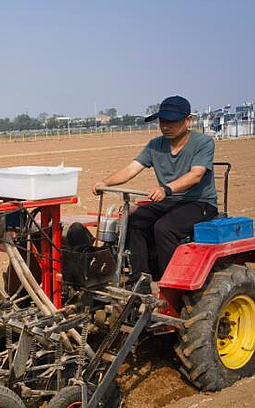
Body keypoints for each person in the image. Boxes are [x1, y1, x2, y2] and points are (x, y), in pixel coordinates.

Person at [92, 95, 217, 288]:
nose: (165, 126)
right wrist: (105, 183)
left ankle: (172, 285)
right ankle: (141, 281)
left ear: (188, 120)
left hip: (199, 203)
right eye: (162, 121)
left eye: (172, 121)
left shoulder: (203, 142)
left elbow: (196, 175)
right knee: (133, 221)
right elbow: (131, 169)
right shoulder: (155, 145)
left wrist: (167, 188)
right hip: (169, 201)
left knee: (164, 228)